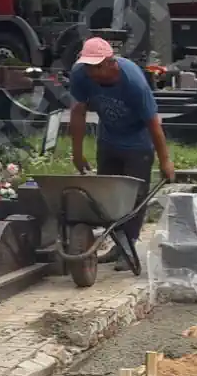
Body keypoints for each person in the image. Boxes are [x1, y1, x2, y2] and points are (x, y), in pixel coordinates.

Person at [67, 37, 176, 265]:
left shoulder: (133, 82)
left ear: (110, 63)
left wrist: (165, 161)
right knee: (107, 197)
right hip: (109, 138)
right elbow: (78, 113)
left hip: (138, 142)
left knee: (134, 198)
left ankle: (128, 246)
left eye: (97, 67)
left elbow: (153, 124)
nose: (92, 73)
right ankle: (119, 245)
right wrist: (77, 153)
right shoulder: (81, 75)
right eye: (88, 67)